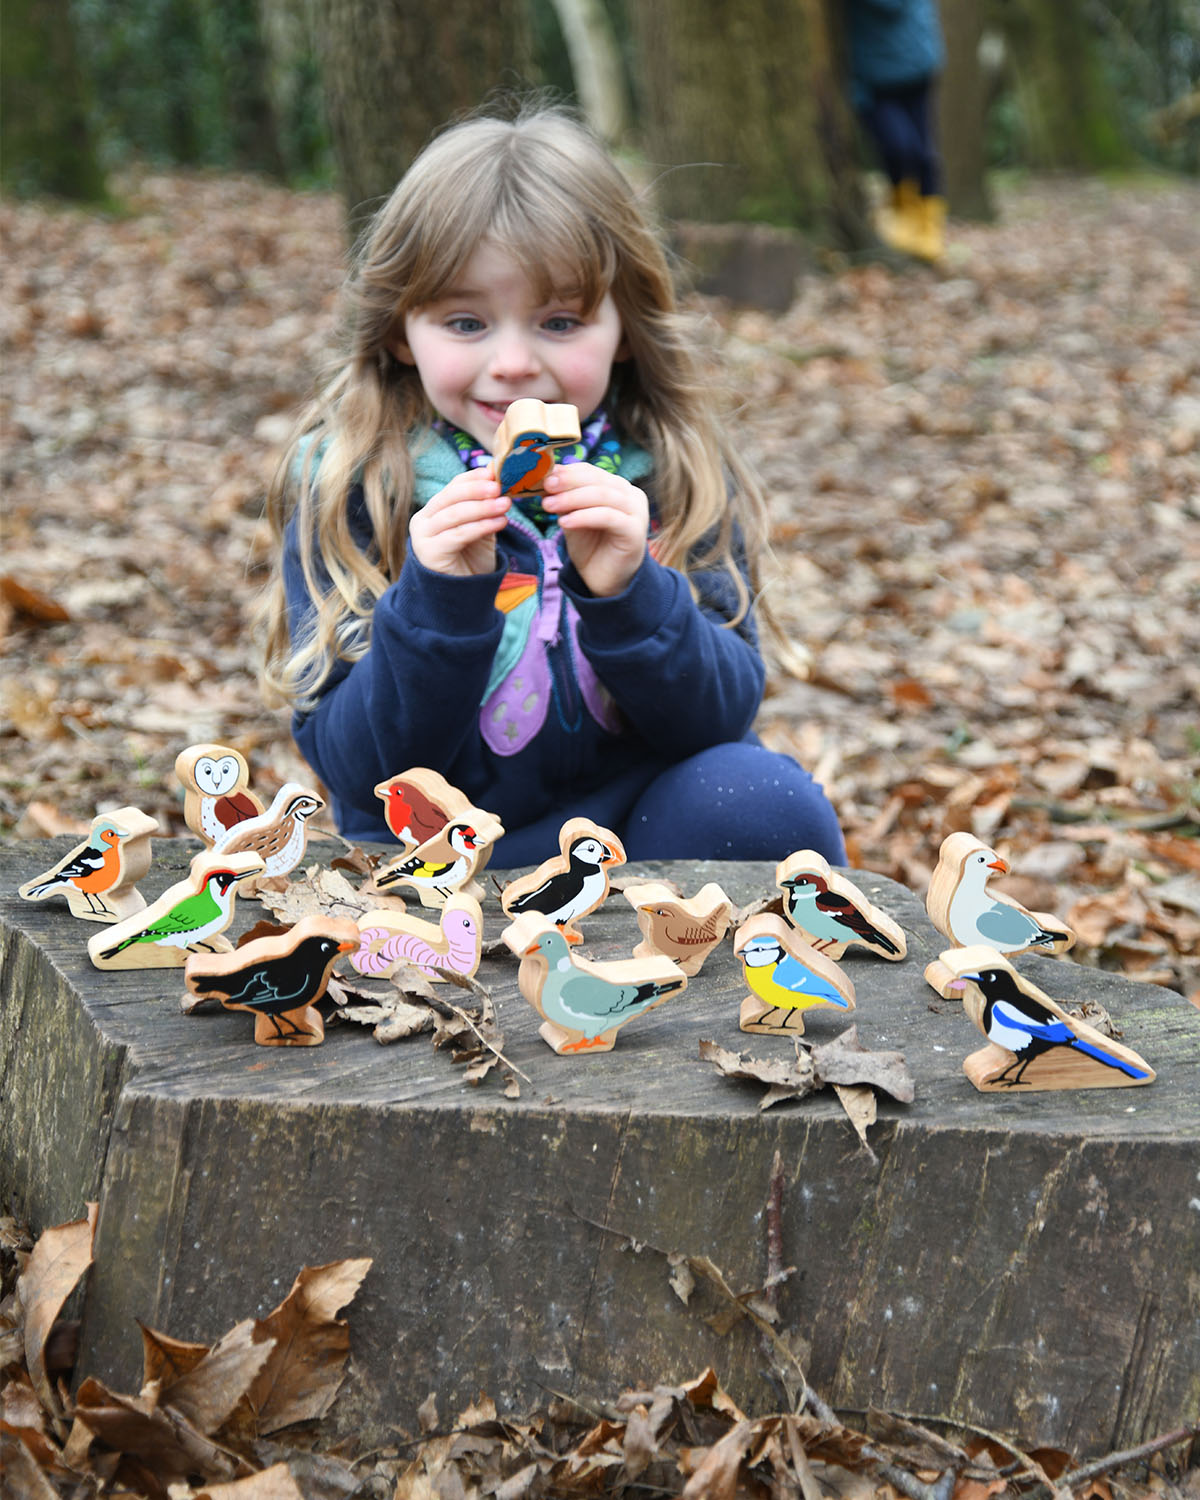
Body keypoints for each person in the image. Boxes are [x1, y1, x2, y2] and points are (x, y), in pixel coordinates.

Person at [258, 102, 845, 869]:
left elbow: (718, 722)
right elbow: (361, 771)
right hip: (434, 859)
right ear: (402, 330)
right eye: (466, 323)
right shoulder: (356, 483)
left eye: (560, 322)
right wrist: (437, 600)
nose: (511, 363)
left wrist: (631, 594)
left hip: (637, 842)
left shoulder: (671, 472)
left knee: (764, 798)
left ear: (626, 329)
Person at [846, 0, 947, 261]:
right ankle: (905, 217)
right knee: (901, 147)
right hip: (883, 75)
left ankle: (927, 228)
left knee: (921, 152)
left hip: (913, 69)